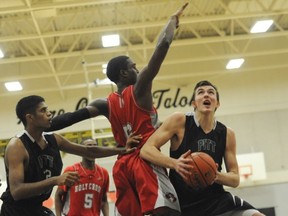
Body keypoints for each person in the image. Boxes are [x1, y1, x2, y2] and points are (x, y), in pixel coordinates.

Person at [46, 3, 189, 216]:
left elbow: (71, 117)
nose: (137, 69)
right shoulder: (140, 89)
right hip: (144, 159)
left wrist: (44, 126)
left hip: (122, 164)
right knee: (167, 211)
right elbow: (162, 47)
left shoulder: (104, 104)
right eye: (133, 66)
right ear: (123, 74)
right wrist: (171, 22)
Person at [140, 80, 265, 216]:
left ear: (217, 103)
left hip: (216, 200)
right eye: (201, 92)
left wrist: (215, 175)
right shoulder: (180, 121)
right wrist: (176, 164)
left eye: (211, 92)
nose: (206, 95)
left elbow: (235, 179)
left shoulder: (227, 133)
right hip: (183, 202)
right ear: (194, 103)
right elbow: (146, 150)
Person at [0, 95, 135, 216]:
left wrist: (122, 149)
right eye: (43, 110)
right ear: (30, 117)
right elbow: (16, 191)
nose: (49, 114)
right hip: (15, 211)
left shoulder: (53, 139)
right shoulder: (17, 146)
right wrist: (55, 180)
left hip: (36, 208)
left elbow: (89, 151)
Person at [54, 138, 110, 216]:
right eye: (89, 146)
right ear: (81, 150)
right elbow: (58, 195)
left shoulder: (103, 173)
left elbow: (104, 200)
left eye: (95, 146)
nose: (93, 150)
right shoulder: (71, 170)